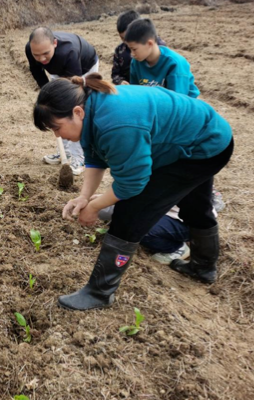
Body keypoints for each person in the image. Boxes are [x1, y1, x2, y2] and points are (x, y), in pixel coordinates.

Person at [33, 74, 233, 311]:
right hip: (200, 136)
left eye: (56, 127)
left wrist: (95, 208)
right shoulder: (92, 107)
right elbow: (95, 158)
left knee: (131, 211)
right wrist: (84, 197)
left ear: (77, 112)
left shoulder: (115, 123)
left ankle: (99, 292)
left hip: (205, 145)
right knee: (194, 204)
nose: (57, 136)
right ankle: (203, 267)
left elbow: (132, 183)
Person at [26, 27, 99, 174]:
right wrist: (47, 94)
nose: (41, 59)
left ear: (54, 43)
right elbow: (37, 71)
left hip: (83, 69)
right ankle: (64, 152)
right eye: (37, 55)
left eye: (45, 53)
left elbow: (73, 93)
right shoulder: (30, 49)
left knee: (70, 114)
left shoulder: (69, 52)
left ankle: (79, 156)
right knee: (55, 113)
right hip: (58, 71)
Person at [98, 189, 225, 264]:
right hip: (172, 213)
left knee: (138, 229)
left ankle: (176, 249)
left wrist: (98, 206)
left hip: (189, 222)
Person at [127, 18, 199, 98]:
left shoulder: (174, 63)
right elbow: (136, 94)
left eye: (134, 49)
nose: (132, 54)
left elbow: (178, 102)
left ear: (149, 43)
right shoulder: (136, 63)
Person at [111, 10, 166, 85]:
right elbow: (115, 74)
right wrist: (120, 81)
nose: (132, 54)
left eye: (134, 49)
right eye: (123, 38)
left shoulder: (159, 49)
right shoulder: (121, 52)